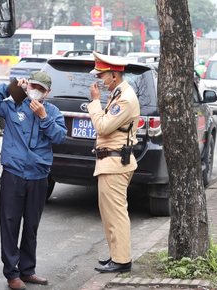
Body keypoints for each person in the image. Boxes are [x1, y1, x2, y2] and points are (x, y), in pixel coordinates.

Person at [0, 71, 67, 290]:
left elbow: (59, 137)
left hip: (39, 177)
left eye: (41, 89)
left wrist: (43, 118)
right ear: (27, 85)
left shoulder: (52, 112)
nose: (36, 91)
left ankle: (27, 270)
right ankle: (12, 273)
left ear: (48, 92)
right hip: (13, 174)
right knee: (10, 224)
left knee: (31, 225)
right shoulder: (13, 105)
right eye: (33, 86)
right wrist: (12, 86)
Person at [88, 51, 140, 273]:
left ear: (114, 76)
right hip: (110, 161)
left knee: (116, 213)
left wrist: (95, 103)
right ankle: (116, 255)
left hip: (115, 162)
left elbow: (103, 127)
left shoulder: (125, 98)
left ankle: (121, 260)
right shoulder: (118, 94)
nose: (100, 81)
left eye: (103, 76)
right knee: (109, 212)